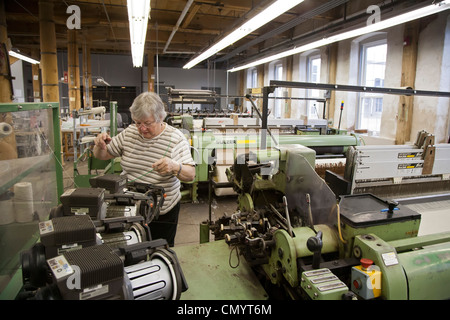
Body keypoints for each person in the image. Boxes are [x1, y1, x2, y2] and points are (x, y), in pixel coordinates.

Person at [93, 92, 195, 246]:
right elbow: (103, 155)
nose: (142, 129)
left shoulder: (176, 138)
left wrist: (174, 166)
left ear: (161, 117)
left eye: (147, 123)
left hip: (162, 212)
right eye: (137, 122)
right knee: (130, 250)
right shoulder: (129, 133)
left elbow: (190, 174)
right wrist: (99, 146)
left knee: (159, 250)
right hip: (129, 209)